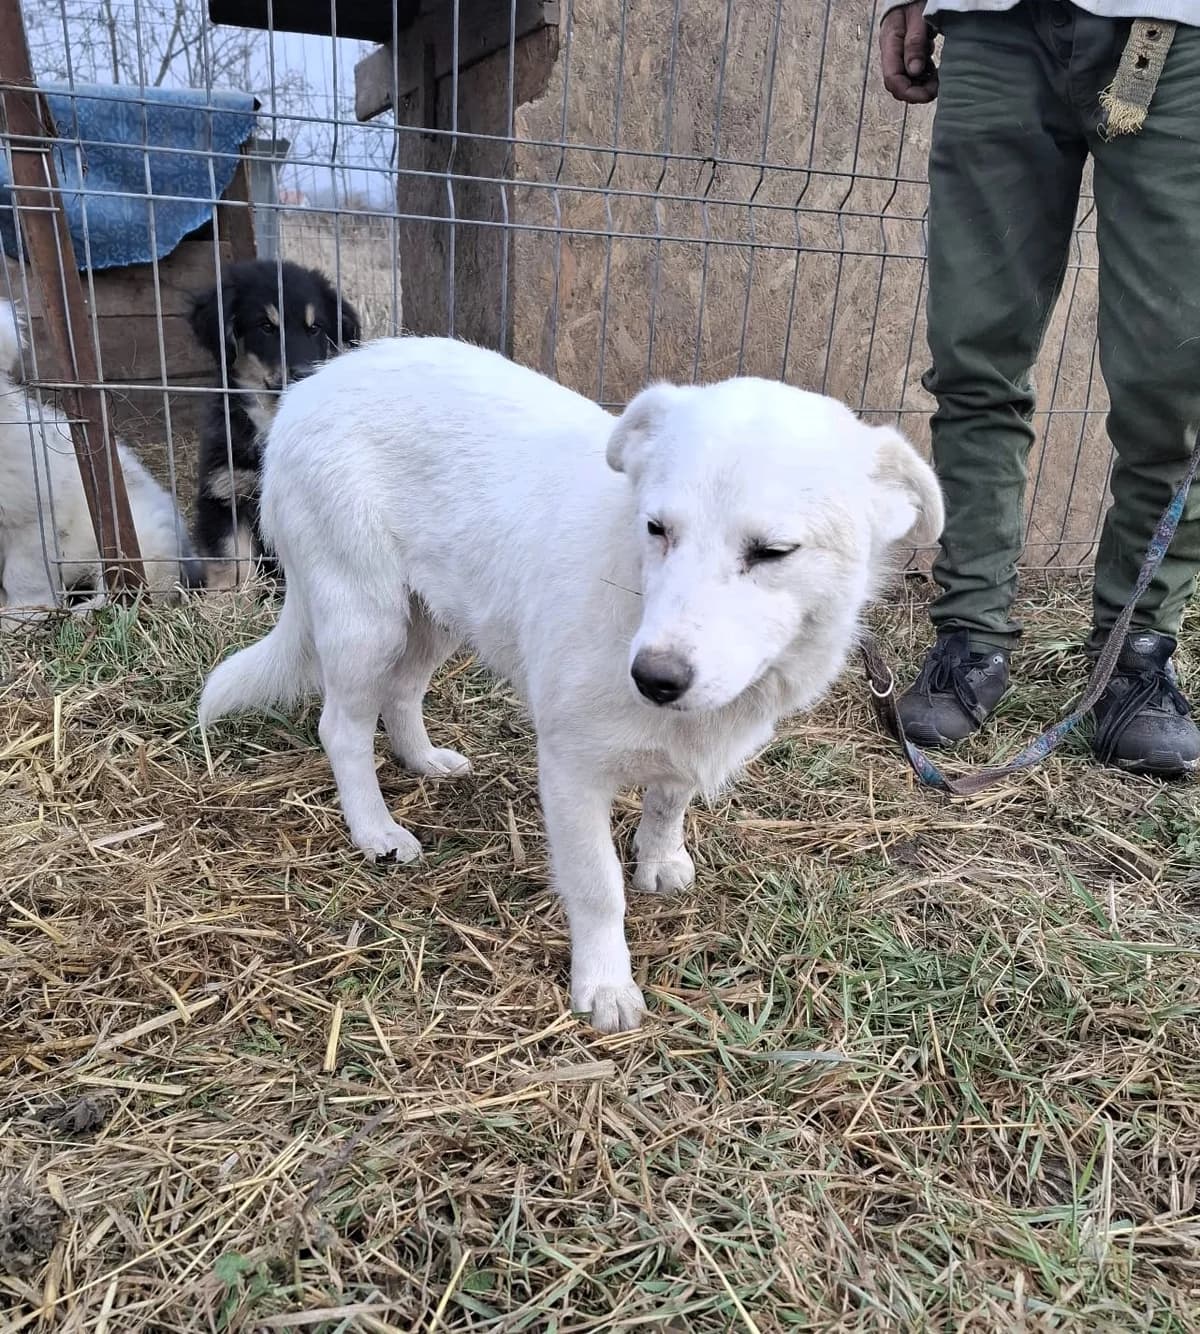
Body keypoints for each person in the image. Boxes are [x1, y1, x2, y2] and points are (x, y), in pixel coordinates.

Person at [878, 0, 1200, 777]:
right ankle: (970, 641)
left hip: (1179, 31)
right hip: (995, 24)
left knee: (1175, 384)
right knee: (973, 359)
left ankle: (1136, 657)